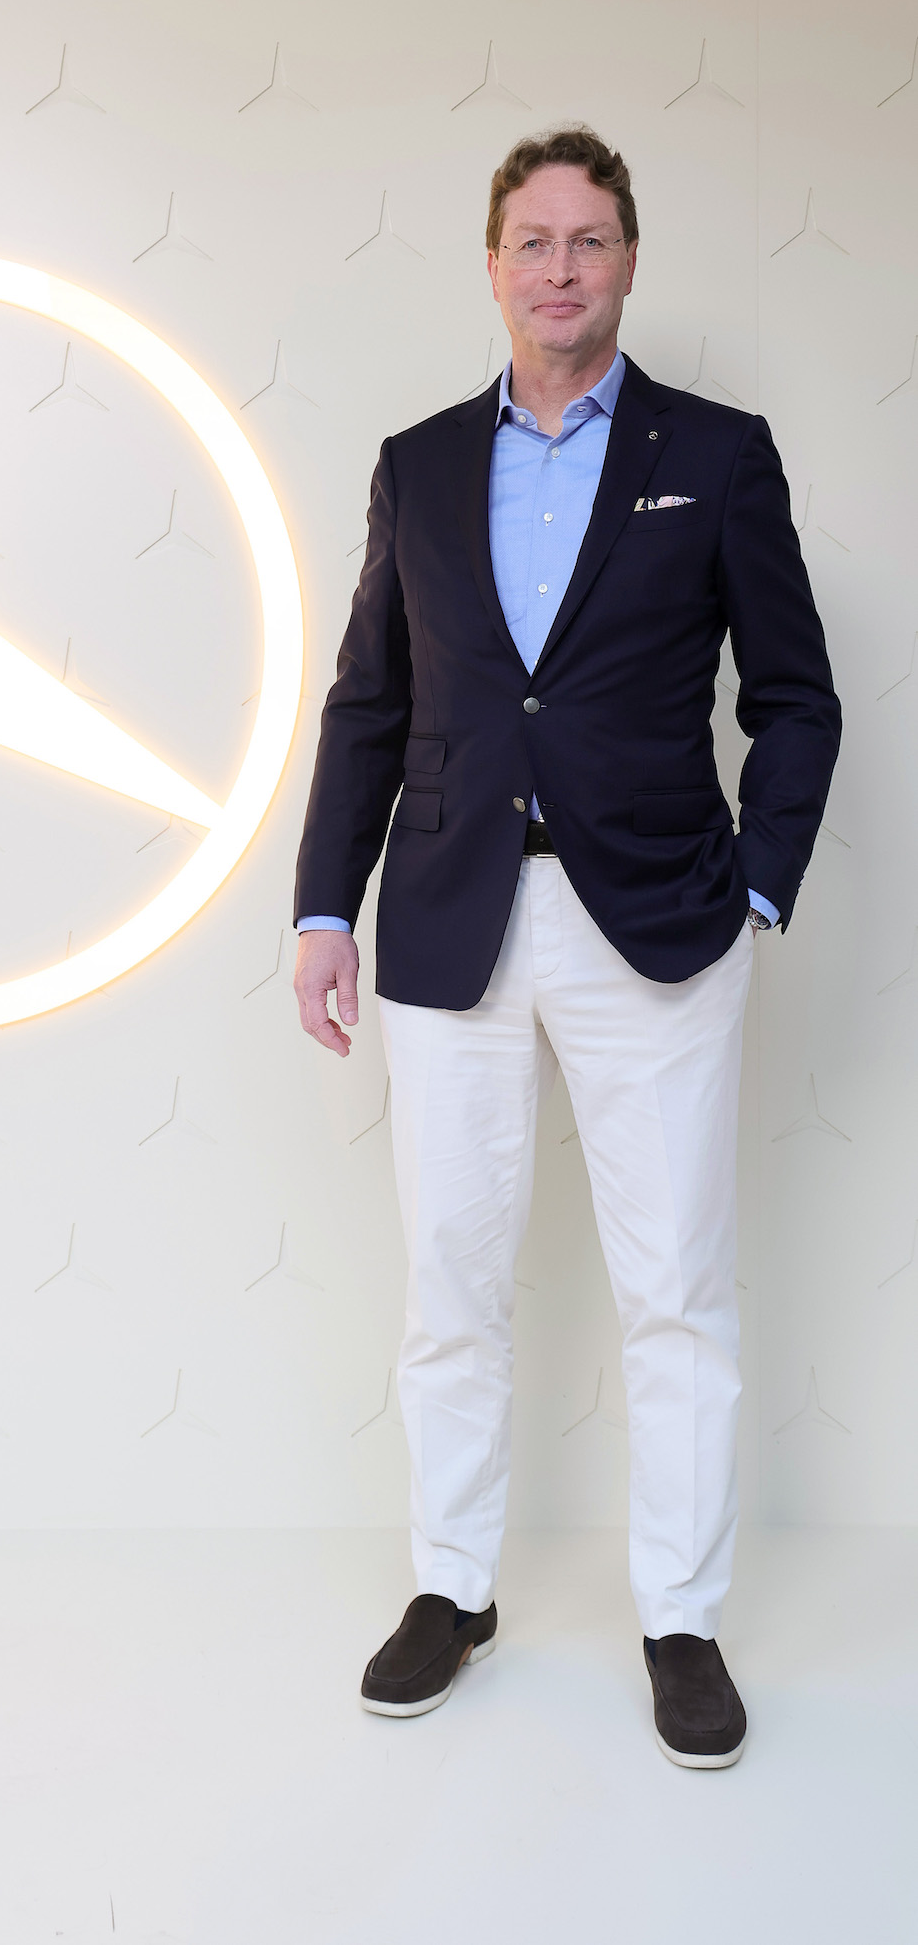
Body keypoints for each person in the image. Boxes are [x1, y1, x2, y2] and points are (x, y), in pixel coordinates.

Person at [292, 125, 840, 1768]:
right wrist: (324, 906)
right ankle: (451, 1589)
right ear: (492, 266)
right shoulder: (418, 463)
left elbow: (797, 696)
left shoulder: (718, 454)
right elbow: (370, 701)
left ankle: (681, 1616)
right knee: (454, 1280)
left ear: (628, 261)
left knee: (676, 1287)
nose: (559, 266)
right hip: (451, 916)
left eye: (588, 238)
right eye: (531, 240)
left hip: (658, 924)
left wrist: (757, 889)